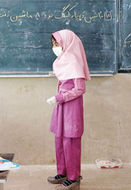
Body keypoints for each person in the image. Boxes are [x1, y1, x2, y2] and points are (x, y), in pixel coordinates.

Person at [46, 29, 91, 190]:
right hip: (61, 106)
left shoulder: (74, 61)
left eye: (57, 43)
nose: (55, 47)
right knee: (59, 139)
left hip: (71, 107)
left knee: (70, 141)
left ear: (67, 43)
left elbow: (80, 89)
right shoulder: (63, 60)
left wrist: (60, 98)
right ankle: (62, 172)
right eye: (53, 44)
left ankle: (73, 177)